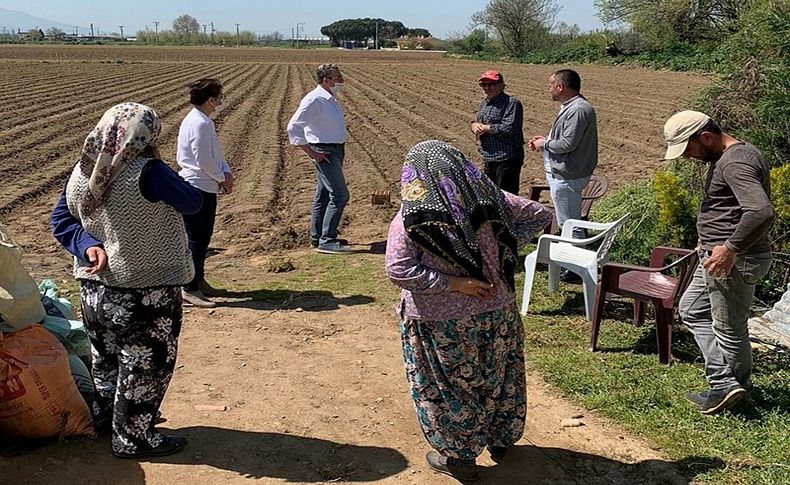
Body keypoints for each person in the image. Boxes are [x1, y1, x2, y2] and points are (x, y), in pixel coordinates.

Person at [385, 140, 553, 482]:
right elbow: (541, 215)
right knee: (499, 376)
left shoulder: (413, 218)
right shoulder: (494, 202)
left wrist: (456, 284)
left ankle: (459, 456)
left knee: (449, 387)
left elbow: (398, 269)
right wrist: (505, 249)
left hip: (441, 322)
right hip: (498, 311)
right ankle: (501, 440)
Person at [51, 102, 202, 458]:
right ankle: (133, 437)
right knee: (147, 363)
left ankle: (110, 420)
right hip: (144, 288)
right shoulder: (148, 171)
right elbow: (192, 202)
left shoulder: (84, 170)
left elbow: (61, 219)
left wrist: (88, 245)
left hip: (94, 288)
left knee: (106, 356)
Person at [663, 110, 774, 415]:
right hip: (717, 257)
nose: (687, 157)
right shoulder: (728, 157)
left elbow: (760, 211)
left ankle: (732, 394)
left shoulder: (736, 162)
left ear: (706, 137)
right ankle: (726, 382)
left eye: (688, 149)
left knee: (729, 328)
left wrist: (730, 248)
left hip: (733, 261)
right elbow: (731, 210)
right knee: (691, 310)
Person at [528, 69, 598, 283]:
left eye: (550, 84)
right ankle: (574, 265)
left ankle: (577, 269)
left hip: (567, 175)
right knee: (569, 221)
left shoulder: (578, 109)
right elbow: (566, 137)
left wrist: (544, 144)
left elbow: (568, 144)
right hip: (564, 173)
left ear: (561, 86)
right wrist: (548, 139)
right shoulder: (572, 107)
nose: (548, 88)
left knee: (570, 223)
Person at [177, 78, 233, 308]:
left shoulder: (202, 121)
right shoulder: (198, 124)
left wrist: (225, 171)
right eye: (219, 97)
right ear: (211, 99)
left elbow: (214, 155)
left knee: (203, 237)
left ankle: (198, 280)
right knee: (196, 240)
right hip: (197, 185)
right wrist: (222, 178)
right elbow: (203, 160)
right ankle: (189, 288)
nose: (220, 102)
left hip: (206, 184)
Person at [287, 63, 351, 255]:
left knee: (323, 195)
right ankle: (327, 240)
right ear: (326, 80)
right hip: (324, 151)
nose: (341, 81)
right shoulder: (315, 99)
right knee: (340, 195)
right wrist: (312, 153)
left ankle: (318, 237)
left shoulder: (330, 98)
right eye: (337, 78)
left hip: (335, 150)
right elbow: (293, 127)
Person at [471, 70, 525, 194]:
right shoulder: (485, 103)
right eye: (483, 85)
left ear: (502, 85)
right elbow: (480, 122)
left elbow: (509, 128)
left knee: (506, 196)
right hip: (489, 156)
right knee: (491, 194)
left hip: (507, 158)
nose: (487, 88)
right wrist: (474, 126)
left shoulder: (511, 103)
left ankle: (508, 214)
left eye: (491, 84)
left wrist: (485, 128)